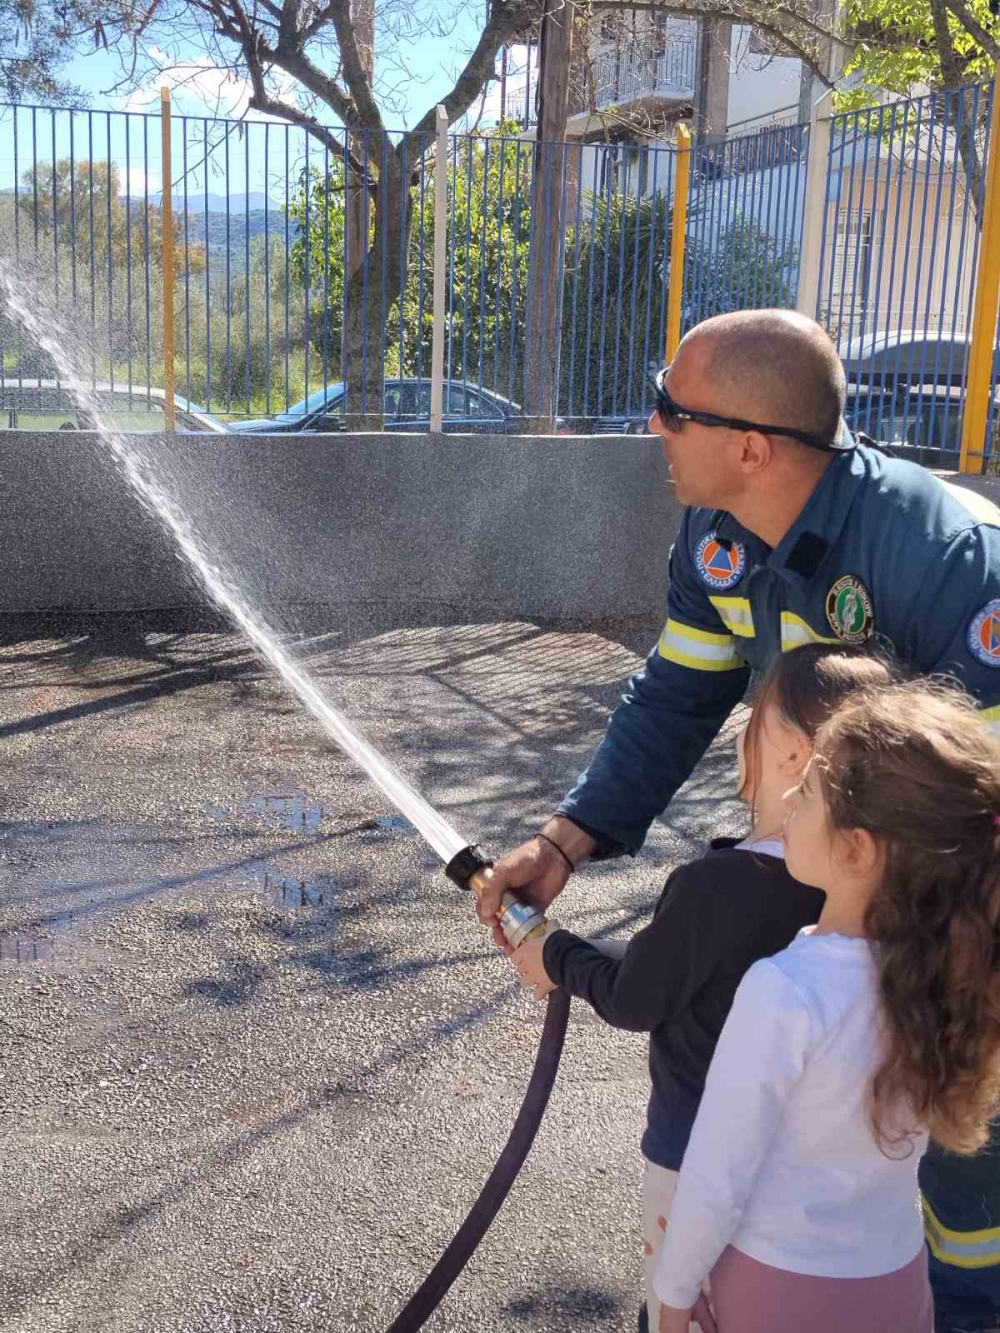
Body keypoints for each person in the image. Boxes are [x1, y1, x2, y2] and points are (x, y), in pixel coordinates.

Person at [475, 309, 1000, 1331]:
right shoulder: (716, 538)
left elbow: (982, 799)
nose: (654, 429)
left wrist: (931, 961)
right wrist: (565, 838)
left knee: (962, 1163)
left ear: (750, 446)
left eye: (670, 410)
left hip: (959, 907)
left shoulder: (946, 561)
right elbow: (675, 696)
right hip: (861, 891)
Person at [510, 645, 896, 1333]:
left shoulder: (718, 887)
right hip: (824, 1195)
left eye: (755, 717)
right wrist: (579, 951)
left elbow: (638, 994)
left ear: (794, 753)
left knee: (682, 1311)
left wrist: (557, 954)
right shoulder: (876, 891)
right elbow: (687, 966)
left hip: (693, 1165)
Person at [654, 680, 1000, 1333]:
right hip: (896, 1279)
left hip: (780, 1288)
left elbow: (717, 1170)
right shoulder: (942, 974)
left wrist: (673, 1291)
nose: (788, 797)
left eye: (809, 791)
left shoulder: (786, 990)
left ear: (858, 849)